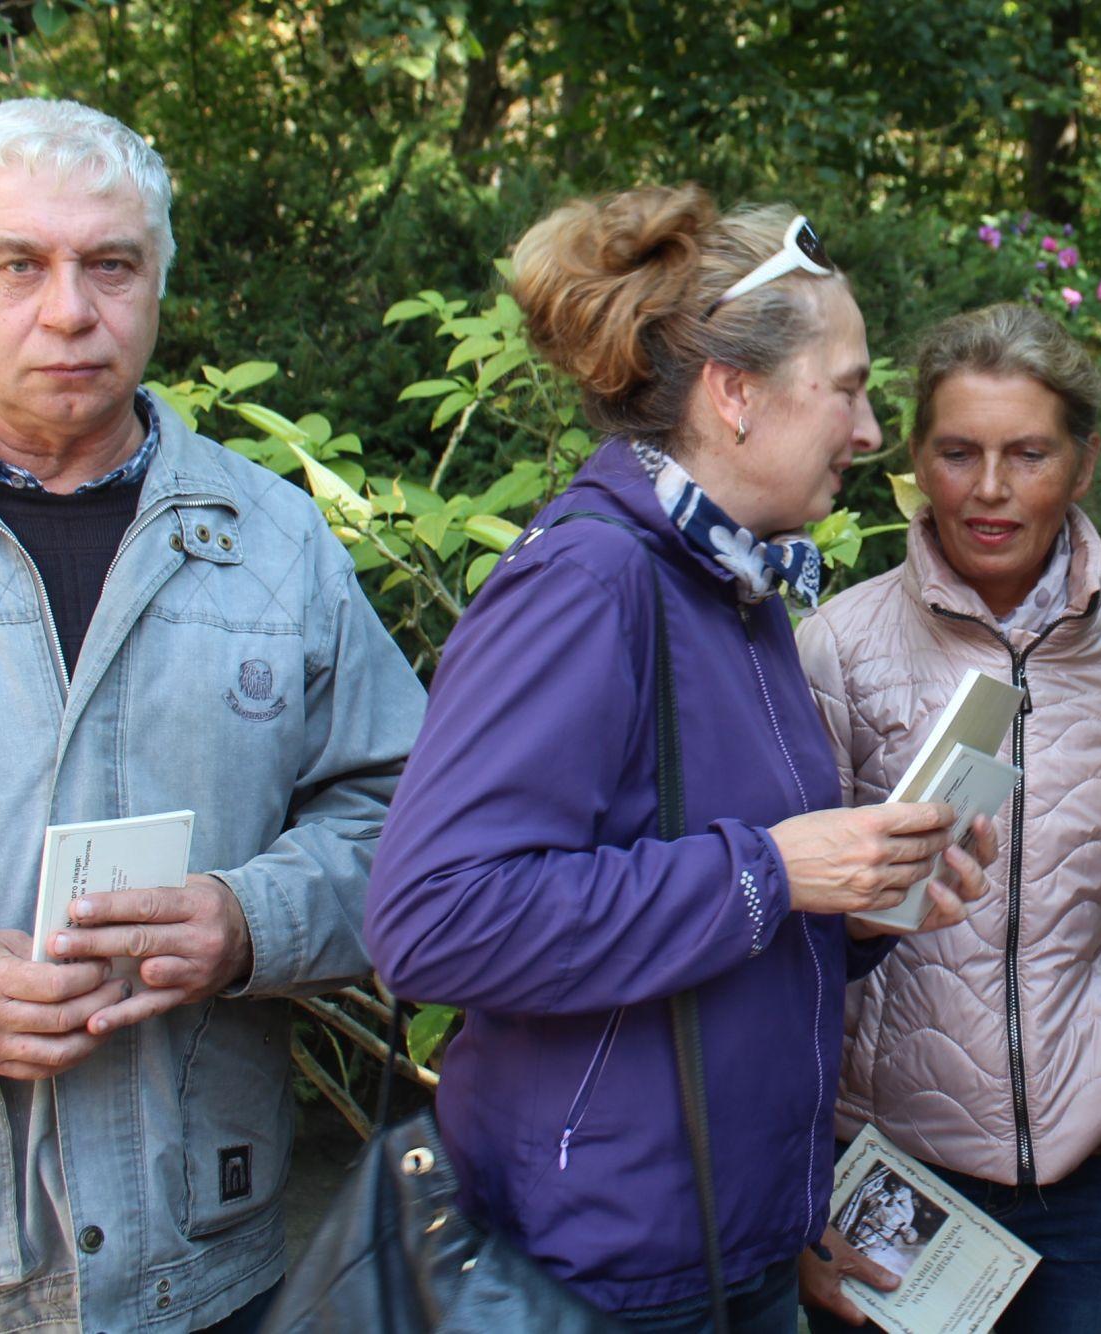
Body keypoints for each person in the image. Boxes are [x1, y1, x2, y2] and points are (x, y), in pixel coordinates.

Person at [0, 99, 427, 1333]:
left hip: (212, 1263)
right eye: (19, 265)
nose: (71, 309)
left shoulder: (274, 543)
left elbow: (404, 818)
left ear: (157, 279)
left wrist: (251, 919)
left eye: (111, 264)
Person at [364, 185, 996, 1334]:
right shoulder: (588, 584)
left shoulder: (735, 588)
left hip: (731, 1242)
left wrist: (852, 907)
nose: (867, 432)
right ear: (735, 392)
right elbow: (432, 920)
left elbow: (720, 901)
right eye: (848, 389)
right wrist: (771, 870)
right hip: (598, 1269)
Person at [797, 303, 1101, 1333]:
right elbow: (785, 933)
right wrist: (796, 1177)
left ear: (1080, 463)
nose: (987, 488)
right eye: (956, 451)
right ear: (915, 461)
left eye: (1026, 452)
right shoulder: (836, 648)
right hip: (889, 1168)